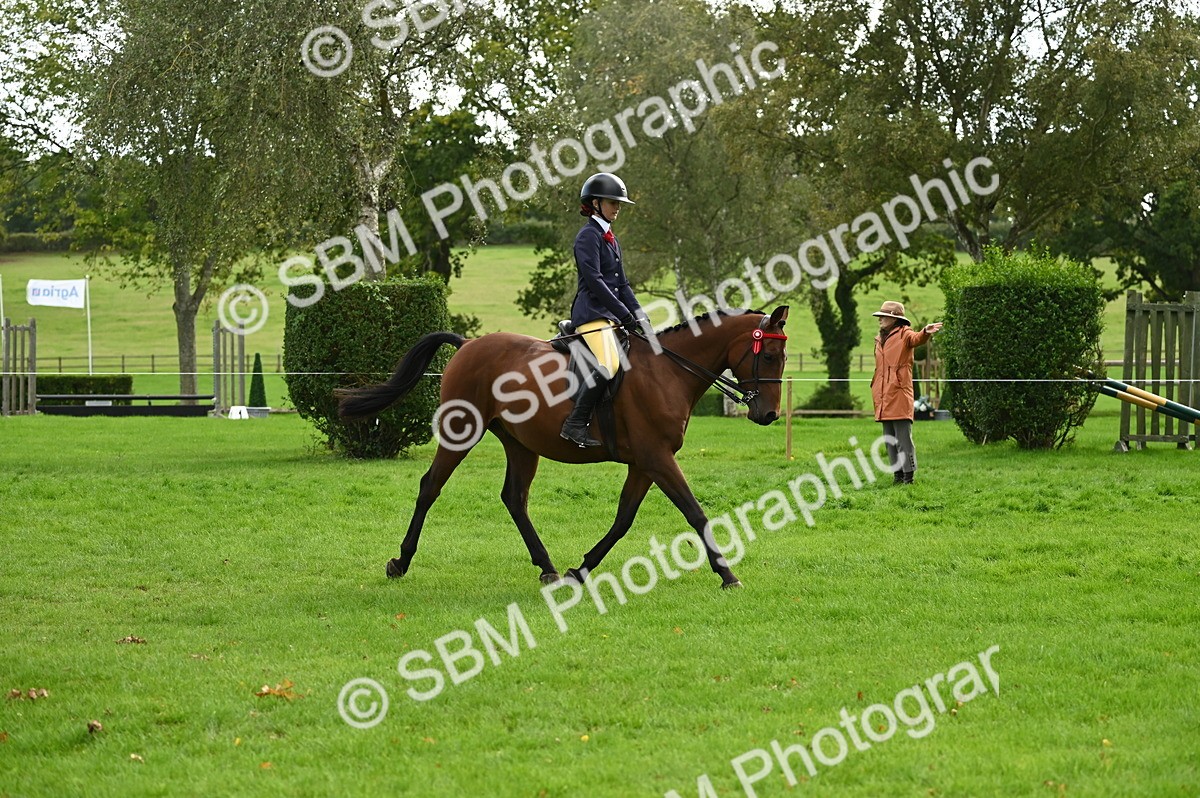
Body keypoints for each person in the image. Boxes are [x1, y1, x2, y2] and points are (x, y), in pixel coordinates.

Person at [560, 172, 645, 447]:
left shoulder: (611, 238)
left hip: (609, 316)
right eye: (612, 203)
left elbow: (623, 283)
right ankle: (574, 424)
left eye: (618, 203)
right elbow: (595, 282)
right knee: (609, 363)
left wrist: (639, 316)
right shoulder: (588, 236)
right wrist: (624, 315)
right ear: (595, 204)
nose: (617, 208)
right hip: (591, 314)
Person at [870, 301, 943, 484]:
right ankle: (897, 475)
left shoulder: (905, 334)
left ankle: (908, 476)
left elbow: (917, 339)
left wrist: (925, 332)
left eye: (884, 316)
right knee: (889, 439)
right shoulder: (879, 339)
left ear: (895, 318)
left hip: (900, 393)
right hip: (883, 394)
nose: (880, 319)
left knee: (903, 439)